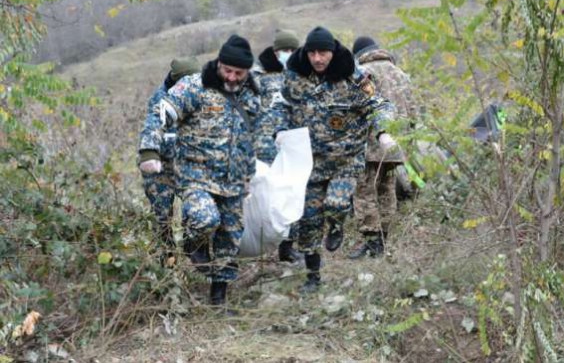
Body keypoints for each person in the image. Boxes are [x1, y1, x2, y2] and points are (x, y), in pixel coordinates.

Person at [267, 26, 396, 293]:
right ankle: (313, 277)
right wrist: (279, 129)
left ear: (332, 52)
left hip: (346, 160)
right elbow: (280, 105)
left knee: (336, 204)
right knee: (309, 222)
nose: (317, 58)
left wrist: (382, 132)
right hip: (309, 162)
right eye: (312, 53)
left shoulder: (352, 77)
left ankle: (337, 224)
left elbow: (380, 105)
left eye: (323, 53)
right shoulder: (296, 77)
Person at [138, 35, 260, 306]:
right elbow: (162, 111)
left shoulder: (251, 93)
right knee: (205, 219)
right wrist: (149, 150)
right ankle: (193, 243)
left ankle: (219, 298)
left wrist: (251, 174)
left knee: (230, 239)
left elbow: (252, 135)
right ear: (218, 64)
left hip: (234, 180)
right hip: (195, 176)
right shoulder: (195, 86)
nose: (231, 76)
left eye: (238, 73)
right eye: (226, 70)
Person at [348, 36, 415, 259]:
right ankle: (384, 236)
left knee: (365, 190)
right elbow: (414, 111)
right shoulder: (401, 74)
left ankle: (372, 241)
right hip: (397, 143)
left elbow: (357, 108)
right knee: (387, 188)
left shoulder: (363, 72)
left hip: (370, 142)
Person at [138, 57, 200, 266]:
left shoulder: (202, 94)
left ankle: (195, 249)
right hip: (161, 168)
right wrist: (152, 153)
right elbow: (153, 129)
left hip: (189, 165)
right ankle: (168, 261)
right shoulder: (161, 99)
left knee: (196, 210)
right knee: (162, 217)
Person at [253, 29, 304, 264]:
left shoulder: (300, 76)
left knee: (291, 194)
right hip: (261, 147)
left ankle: (287, 247)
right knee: (262, 198)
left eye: (293, 50)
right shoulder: (257, 76)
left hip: (289, 147)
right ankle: (255, 244)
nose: (289, 54)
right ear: (275, 52)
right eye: (285, 50)